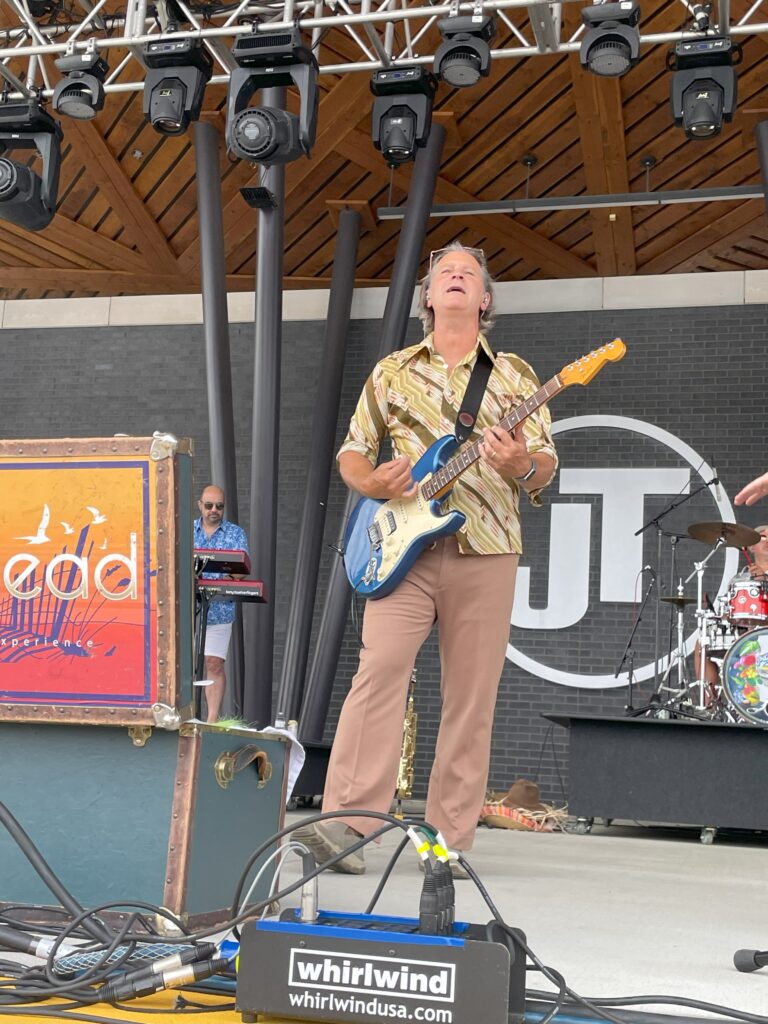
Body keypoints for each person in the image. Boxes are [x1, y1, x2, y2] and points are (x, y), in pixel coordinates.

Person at [296, 242, 558, 875]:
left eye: (469, 272)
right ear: (429, 297)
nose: (457, 276)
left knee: (472, 697)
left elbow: (545, 465)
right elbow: (353, 450)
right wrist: (372, 482)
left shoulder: (515, 374)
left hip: (488, 549)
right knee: (378, 674)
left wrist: (520, 463)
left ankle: (448, 841)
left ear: (485, 299)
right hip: (400, 553)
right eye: (445, 272)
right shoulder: (392, 371)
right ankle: (348, 826)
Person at [193, 484, 248, 723]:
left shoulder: (235, 533)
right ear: (200, 505)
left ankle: (211, 721)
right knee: (183, 664)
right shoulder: (186, 530)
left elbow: (242, 570)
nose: (214, 510)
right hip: (185, 610)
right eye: (209, 505)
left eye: (219, 506)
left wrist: (220, 580)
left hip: (219, 608)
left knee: (213, 663)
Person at [694, 526, 768, 689]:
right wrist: (719, 615)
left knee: (749, 638)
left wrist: (764, 581)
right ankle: (709, 701)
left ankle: (750, 696)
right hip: (743, 630)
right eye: (763, 537)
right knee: (703, 642)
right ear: (751, 547)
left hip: (761, 630)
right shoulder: (740, 579)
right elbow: (732, 610)